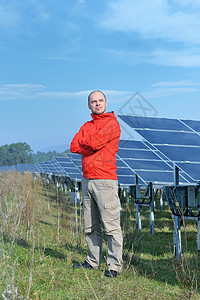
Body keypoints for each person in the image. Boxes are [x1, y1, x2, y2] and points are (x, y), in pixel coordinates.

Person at [70, 90, 123, 277]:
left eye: (100, 100)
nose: (97, 104)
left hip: (105, 180)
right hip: (87, 179)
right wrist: (88, 142)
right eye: (93, 101)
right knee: (90, 224)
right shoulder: (87, 125)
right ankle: (92, 261)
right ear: (89, 105)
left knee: (111, 225)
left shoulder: (112, 124)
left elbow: (94, 143)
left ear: (106, 103)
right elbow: (74, 145)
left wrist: (87, 143)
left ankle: (114, 266)